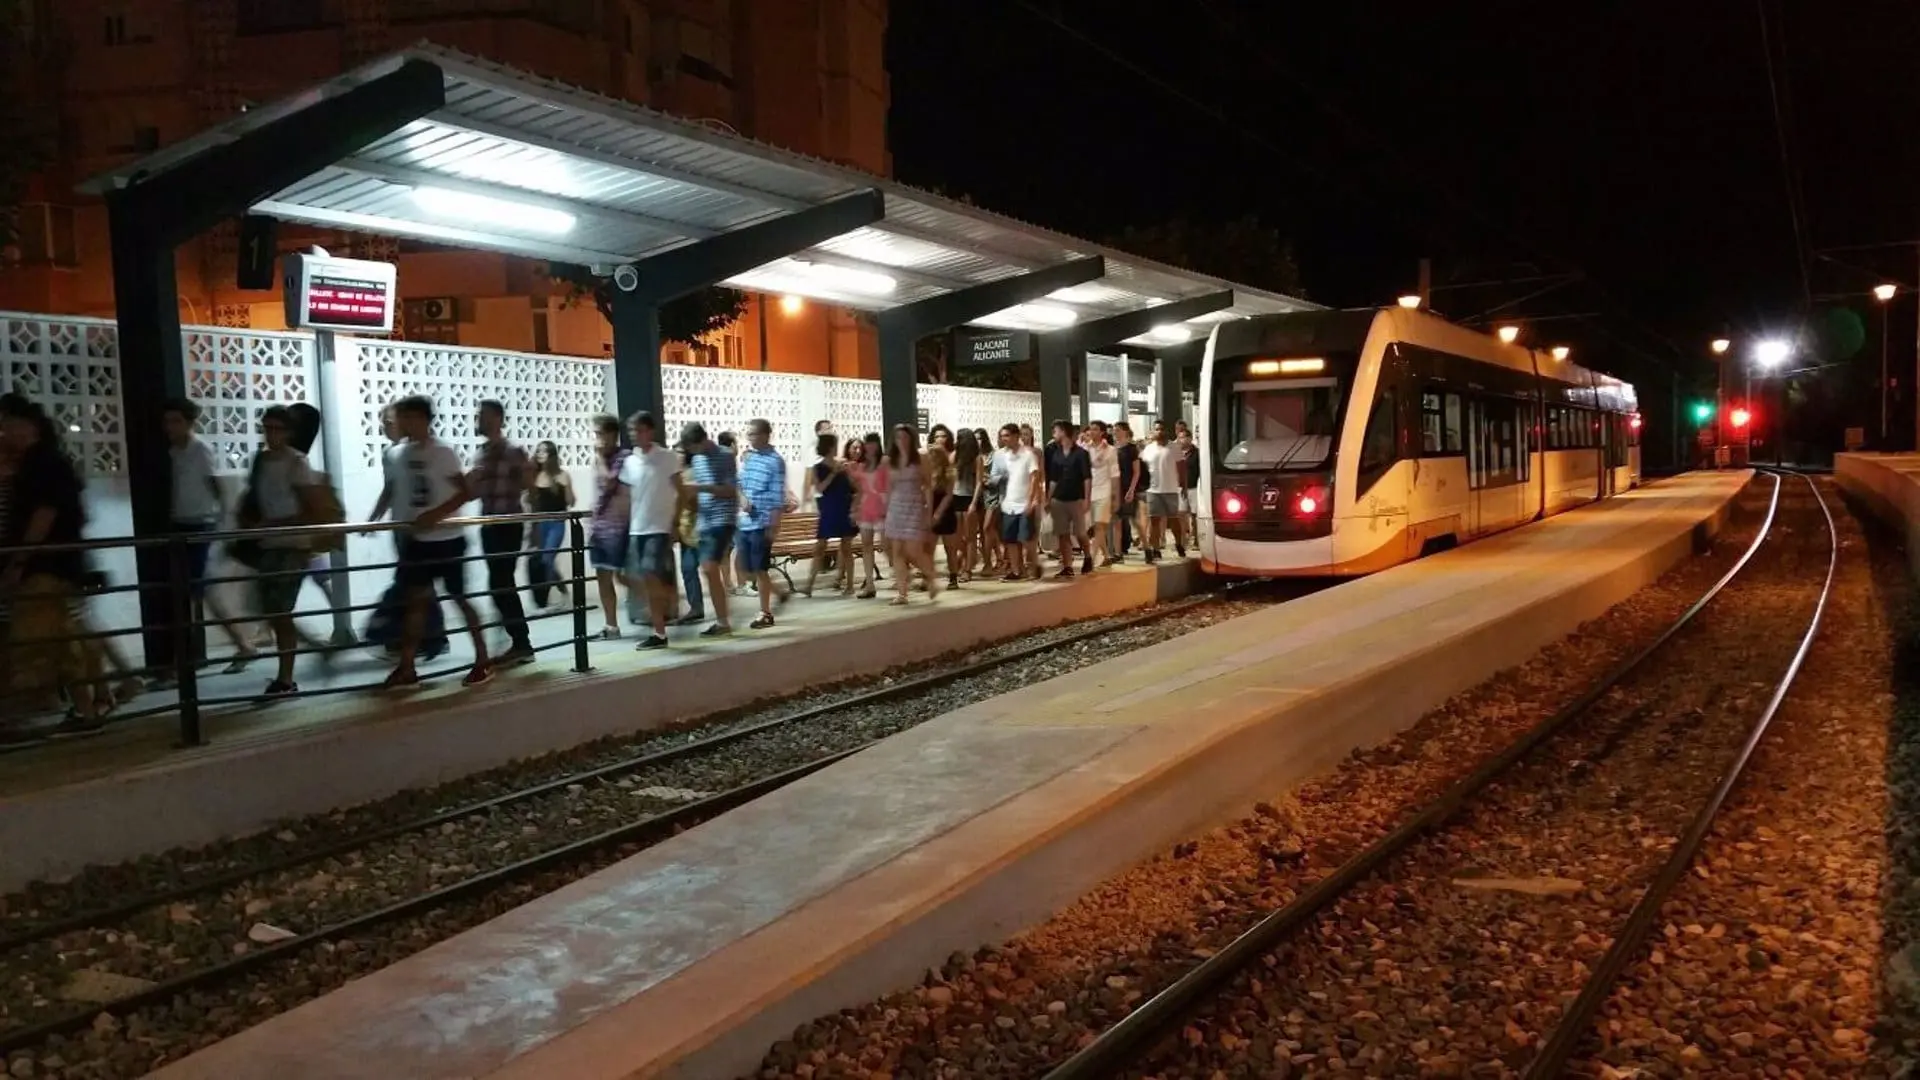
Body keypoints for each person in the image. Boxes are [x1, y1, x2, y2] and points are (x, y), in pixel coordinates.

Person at [0, 393, 105, 728]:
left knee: (44, 639)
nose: (4, 433)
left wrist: (18, 561)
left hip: (46, 566)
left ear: (25, 425)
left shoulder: (41, 465)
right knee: (63, 638)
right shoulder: (45, 462)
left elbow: (43, 515)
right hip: (56, 564)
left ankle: (86, 709)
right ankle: (91, 706)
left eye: (6, 425)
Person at [379, 395, 493, 689]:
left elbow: (464, 491)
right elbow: (394, 490)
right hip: (417, 540)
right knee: (416, 603)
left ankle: (482, 659)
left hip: (447, 539)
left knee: (459, 599)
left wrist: (436, 514)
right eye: (401, 417)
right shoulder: (399, 454)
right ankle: (407, 666)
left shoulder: (443, 452)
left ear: (423, 419)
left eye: (408, 417)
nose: (403, 423)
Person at [162, 397, 257, 674]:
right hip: (181, 524)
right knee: (199, 593)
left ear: (190, 422)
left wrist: (221, 523)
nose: (170, 427)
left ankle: (189, 660)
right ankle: (242, 645)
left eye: (176, 421)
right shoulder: (174, 452)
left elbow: (215, 486)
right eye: (167, 421)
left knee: (196, 592)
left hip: (200, 526)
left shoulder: (200, 450)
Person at [237, 405, 326, 697]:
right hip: (268, 542)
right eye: (267, 428)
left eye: (277, 429)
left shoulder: (297, 462)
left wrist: (275, 523)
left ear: (288, 432)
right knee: (273, 610)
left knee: (279, 609)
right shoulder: (261, 460)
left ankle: (286, 677)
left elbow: (311, 508)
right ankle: (291, 667)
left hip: (291, 544)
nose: (271, 435)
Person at [364, 403, 448, 658]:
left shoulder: (420, 451)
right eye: (384, 423)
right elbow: (389, 489)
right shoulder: (391, 453)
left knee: (415, 583)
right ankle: (419, 636)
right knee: (414, 584)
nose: (387, 427)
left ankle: (425, 636)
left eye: (391, 422)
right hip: (401, 526)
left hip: (418, 527)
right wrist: (374, 518)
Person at [469, 400, 535, 665]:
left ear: (497, 418)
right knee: (499, 584)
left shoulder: (514, 451)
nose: (478, 420)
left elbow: (529, 485)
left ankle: (521, 642)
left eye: (483, 415)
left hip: (509, 524)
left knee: (501, 583)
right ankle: (518, 641)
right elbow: (474, 491)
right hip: (488, 525)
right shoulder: (481, 454)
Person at [618, 411, 684, 650]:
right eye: (631, 431)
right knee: (640, 577)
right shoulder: (630, 462)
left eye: (639, 430)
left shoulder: (667, 458)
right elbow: (626, 497)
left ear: (650, 431)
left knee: (650, 573)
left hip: (659, 527)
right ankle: (660, 618)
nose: (634, 435)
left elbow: (682, 492)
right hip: (637, 529)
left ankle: (660, 629)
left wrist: (675, 523)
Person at [679, 421, 737, 635]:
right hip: (704, 520)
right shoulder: (696, 459)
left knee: (709, 566)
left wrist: (700, 487)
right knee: (708, 570)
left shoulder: (725, 455)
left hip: (722, 519)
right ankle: (722, 620)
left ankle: (723, 620)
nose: (692, 452)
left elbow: (730, 490)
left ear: (702, 440)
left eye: (693, 447)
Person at [735, 418, 790, 628]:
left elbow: (777, 495)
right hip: (744, 521)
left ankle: (765, 613)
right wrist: (742, 499)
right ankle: (779, 592)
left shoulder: (775, 461)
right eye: (748, 434)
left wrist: (774, 525)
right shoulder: (749, 458)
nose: (749, 438)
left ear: (766, 435)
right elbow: (738, 483)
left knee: (760, 569)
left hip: (762, 521)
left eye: (753, 434)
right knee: (745, 569)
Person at [882, 424, 940, 605]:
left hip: (914, 505)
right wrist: (885, 511)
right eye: (898, 437)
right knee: (897, 551)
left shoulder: (920, 457)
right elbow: (888, 488)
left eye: (905, 437)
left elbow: (928, 485)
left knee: (913, 550)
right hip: (896, 508)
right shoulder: (889, 461)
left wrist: (929, 511)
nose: (902, 441)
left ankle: (930, 576)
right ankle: (902, 594)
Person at [586, 415, 630, 640]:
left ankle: (662, 601)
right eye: (595, 434)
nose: (597, 438)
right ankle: (611, 625)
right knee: (602, 577)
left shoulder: (624, 457)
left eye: (600, 433)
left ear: (612, 434)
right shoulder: (598, 460)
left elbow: (610, 483)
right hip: (599, 528)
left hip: (618, 527)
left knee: (623, 577)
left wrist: (600, 460)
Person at [801, 431, 858, 596]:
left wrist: (847, 472)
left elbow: (854, 487)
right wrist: (834, 472)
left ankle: (850, 585)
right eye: (834, 445)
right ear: (828, 447)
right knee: (820, 546)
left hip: (844, 507)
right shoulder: (817, 468)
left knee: (846, 548)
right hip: (829, 508)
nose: (836, 448)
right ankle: (809, 585)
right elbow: (820, 488)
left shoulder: (844, 465)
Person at [527, 440, 574, 610]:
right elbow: (532, 502)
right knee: (544, 561)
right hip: (540, 524)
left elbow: (571, 501)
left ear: (552, 455)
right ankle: (551, 598)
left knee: (547, 559)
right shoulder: (536, 475)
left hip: (557, 524)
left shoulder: (562, 475)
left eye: (544, 451)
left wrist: (565, 487)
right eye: (538, 450)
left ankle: (564, 594)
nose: (540, 454)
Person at [1044, 419, 1093, 578]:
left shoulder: (1081, 454)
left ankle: (1088, 556)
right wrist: (1048, 498)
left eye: (1056, 431)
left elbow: (1087, 478)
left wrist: (1087, 499)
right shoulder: (1056, 453)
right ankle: (1067, 566)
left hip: (1076, 498)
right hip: (1059, 498)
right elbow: (1053, 479)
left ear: (1064, 432)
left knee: (1080, 532)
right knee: (1062, 533)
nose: (1054, 434)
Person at [996, 422, 1042, 582]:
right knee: (1010, 540)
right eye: (1002, 436)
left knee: (1026, 538)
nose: (1004, 439)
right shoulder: (1004, 456)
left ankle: (1034, 564)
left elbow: (1034, 478)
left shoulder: (1028, 455)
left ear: (1016, 436)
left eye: (1007, 435)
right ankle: (1016, 571)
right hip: (1009, 503)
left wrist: (1031, 500)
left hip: (1024, 503)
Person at [1140, 419, 1186, 561]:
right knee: (1154, 521)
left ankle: (1179, 544)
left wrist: (1183, 485)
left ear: (1166, 431)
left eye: (1161, 429)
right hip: (1153, 490)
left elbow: (1182, 468)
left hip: (1171, 489)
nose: (1159, 432)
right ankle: (1156, 549)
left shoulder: (1174, 447)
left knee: (1173, 520)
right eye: (1156, 429)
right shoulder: (1148, 449)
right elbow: (1143, 469)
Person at [851, 432, 887, 599]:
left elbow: (889, 485)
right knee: (866, 545)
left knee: (887, 545)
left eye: (874, 443)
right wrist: (854, 508)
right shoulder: (862, 466)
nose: (870, 446)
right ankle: (870, 584)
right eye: (868, 443)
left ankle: (903, 574)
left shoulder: (884, 463)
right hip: (866, 507)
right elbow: (859, 489)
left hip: (881, 507)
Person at [949, 428, 984, 585]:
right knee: (957, 537)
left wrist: (974, 503)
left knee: (970, 537)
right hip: (956, 497)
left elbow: (979, 482)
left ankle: (967, 569)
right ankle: (968, 559)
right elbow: (949, 478)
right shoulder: (954, 456)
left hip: (969, 497)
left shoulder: (977, 458)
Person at [925, 441, 957, 589]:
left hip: (946, 513)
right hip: (931, 512)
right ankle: (929, 578)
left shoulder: (949, 473)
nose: (930, 458)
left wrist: (938, 513)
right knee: (929, 548)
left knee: (950, 549)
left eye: (933, 455)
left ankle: (953, 577)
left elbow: (948, 496)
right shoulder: (928, 474)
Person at [1086, 419, 1117, 568]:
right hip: (1090, 492)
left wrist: (1115, 495)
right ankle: (1106, 556)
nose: (1092, 432)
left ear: (1102, 432)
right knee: (1097, 527)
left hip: (1105, 492)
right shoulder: (1085, 449)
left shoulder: (1110, 450)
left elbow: (1115, 473)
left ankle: (1091, 559)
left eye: (1095, 429)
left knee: (1099, 526)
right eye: (1090, 429)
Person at [1113, 421, 1143, 561]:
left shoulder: (1131, 449)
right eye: (1114, 430)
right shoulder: (1113, 449)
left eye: (1118, 430)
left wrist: (1131, 489)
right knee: (1117, 521)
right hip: (1116, 488)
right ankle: (1118, 552)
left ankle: (1146, 545)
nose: (1115, 432)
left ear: (1125, 431)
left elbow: (1136, 472)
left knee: (1134, 520)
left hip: (1128, 487)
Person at [1176, 422, 1201, 541]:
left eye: (1183, 437)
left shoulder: (1197, 453)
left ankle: (1196, 538)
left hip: (1193, 487)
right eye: (1179, 438)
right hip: (1180, 488)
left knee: (1195, 514)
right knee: (1181, 513)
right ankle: (1183, 538)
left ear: (1190, 438)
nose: (1181, 440)